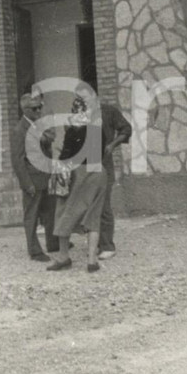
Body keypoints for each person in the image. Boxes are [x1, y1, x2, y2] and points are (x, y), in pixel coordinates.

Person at [47, 86, 110, 273]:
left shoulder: (73, 130)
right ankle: (91, 260)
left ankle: (64, 256)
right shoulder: (98, 126)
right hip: (98, 172)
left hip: (78, 173)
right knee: (94, 215)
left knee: (65, 212)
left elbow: (67, 155)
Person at [11, 93, 55, 263]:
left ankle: (53, 243)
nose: (39, 111)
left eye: (40, 107)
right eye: (35, 108)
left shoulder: (37, 126)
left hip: (45, 177)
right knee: (32, 217)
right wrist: (26, 184)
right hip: (33, 181)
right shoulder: (19, 130)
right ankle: (35, 251)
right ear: (25, 110)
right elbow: (17, 160)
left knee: (50, 212)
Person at [97, 96, 132, 260]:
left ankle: (107, 246)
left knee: (103, 205)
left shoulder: (109, 111)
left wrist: (112, 145)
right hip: (86, 167)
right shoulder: (80, 113)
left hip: (104, 165)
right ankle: (96, 243)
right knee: (91, 206)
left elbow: (126, 129)